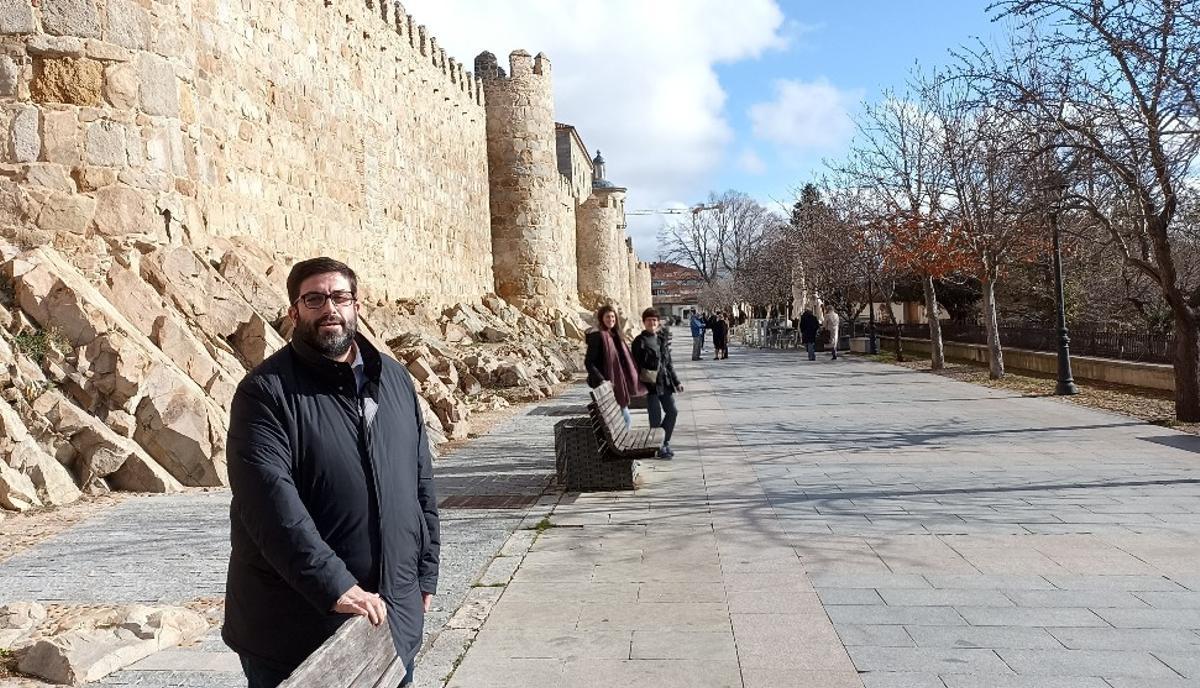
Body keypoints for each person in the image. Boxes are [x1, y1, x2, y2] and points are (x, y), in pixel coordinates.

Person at [224, 257, 439, 688]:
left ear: (357, 305)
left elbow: (420, 483)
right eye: (314, 299)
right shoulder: (265, 393)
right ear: (294, 312)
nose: (330, 309)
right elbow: (268, 501)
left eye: (340, 297)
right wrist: (333, 584)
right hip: (294, 629)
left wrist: (425, 569)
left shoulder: (395, 380)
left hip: (389, 622)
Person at [632, 308, 683, 458]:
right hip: (650, 385)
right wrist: (638, 385)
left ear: (658, 322)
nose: (652, 323)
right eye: (649, 320)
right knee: (655, 418)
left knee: (672, 412)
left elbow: (668, 363)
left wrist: (677, 381)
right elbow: (635, 365)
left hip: (665, 383)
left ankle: (664, 441)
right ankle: (659, 446)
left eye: (654, 320)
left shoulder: (661, 340)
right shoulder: (639, 341)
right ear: (644, 322)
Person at [584, 305, 644, 428]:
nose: (610, 319)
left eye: (612, 317)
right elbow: (589, 362)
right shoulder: (598, 336)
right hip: (605, 383)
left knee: (621, 415)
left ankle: (622, 441)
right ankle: (624, 443)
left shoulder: (615, 335)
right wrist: (602, 381)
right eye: (607, 317)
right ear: (601, 318)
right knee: (624, 416)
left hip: (618, 382)